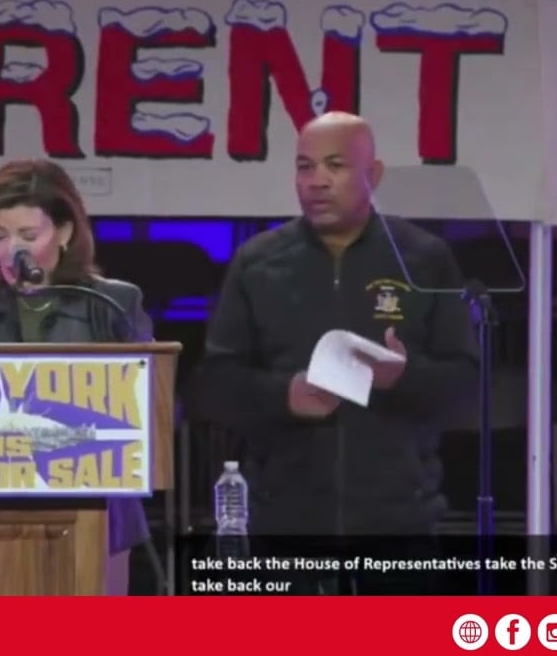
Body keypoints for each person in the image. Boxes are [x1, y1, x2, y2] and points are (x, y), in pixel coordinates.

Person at [196, 112, 477, 594]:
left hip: (399, 520)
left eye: (335, 166)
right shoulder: (259, 262)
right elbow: (213, 386)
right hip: (286, 519)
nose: (317, 181)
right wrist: (284, 395)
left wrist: (401, 379)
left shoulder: (423, 258)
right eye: (305, 167)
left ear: (375, 174)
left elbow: (466, 386)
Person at [0, 158, 155, 596]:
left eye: (28, 236)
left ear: (65, 233)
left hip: (97, 505)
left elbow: (149, 408)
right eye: (0, 236)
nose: (12, 249)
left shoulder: (114, 303)